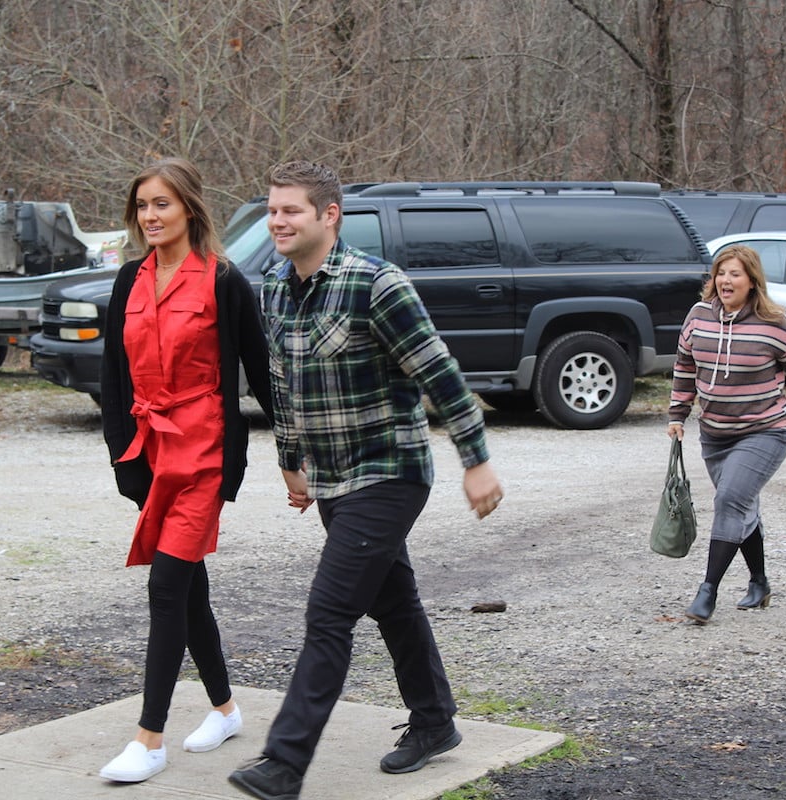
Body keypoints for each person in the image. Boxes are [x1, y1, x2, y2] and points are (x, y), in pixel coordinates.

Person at [228, 161, 505, 800]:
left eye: (291, 210)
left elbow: (439, 373)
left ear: (329, 215)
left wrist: (476, 459)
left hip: (389, 470)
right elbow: (285, 386)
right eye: (272, 210)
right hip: (333, 478)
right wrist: (290, 461)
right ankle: (434, 721)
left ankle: (284, 763)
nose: (277, 222)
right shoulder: (273, 286)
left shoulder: (376, 284)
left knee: (329, 611)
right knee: (392, 601)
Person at [97, 158, 273, 783]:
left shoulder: (224, 280)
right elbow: (113, 377)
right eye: (142, 205)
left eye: (162, 204)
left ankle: (148, 741)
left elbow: (259, 369)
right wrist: (121, 457)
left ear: (190, 209)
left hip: (204, 452)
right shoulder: (127, 281)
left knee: (166, 585)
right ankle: (224, 710)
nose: (150, 216)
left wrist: (294, 456)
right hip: (150, 454)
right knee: (189, 587)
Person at [668, 244, 786, 624]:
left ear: (752, 281)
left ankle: (707, 592)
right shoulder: (699, 316)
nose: (726, 280)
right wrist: (677, 413)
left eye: (735, 274)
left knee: (730, 499)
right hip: (715, 434)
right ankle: (760, 583)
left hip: (766, 431)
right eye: (721, 273)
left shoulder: (774, 323)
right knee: (741, 506)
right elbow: (685, 366)